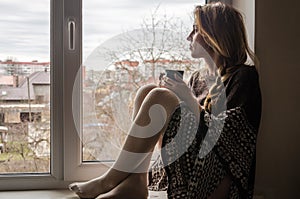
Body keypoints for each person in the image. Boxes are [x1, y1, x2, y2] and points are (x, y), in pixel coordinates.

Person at [69, 2, 262, 199]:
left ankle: (108, 180)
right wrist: (176, 95)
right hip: (190, 158)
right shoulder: (198, 78)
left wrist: (185, 96)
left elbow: (229, 140)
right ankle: (136, 182)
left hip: (219, 177)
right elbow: (185, 119)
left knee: (160, 97)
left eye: (195, 30)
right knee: (148, 91)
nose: (189, 36)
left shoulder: (242, 77)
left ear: (213, 36)